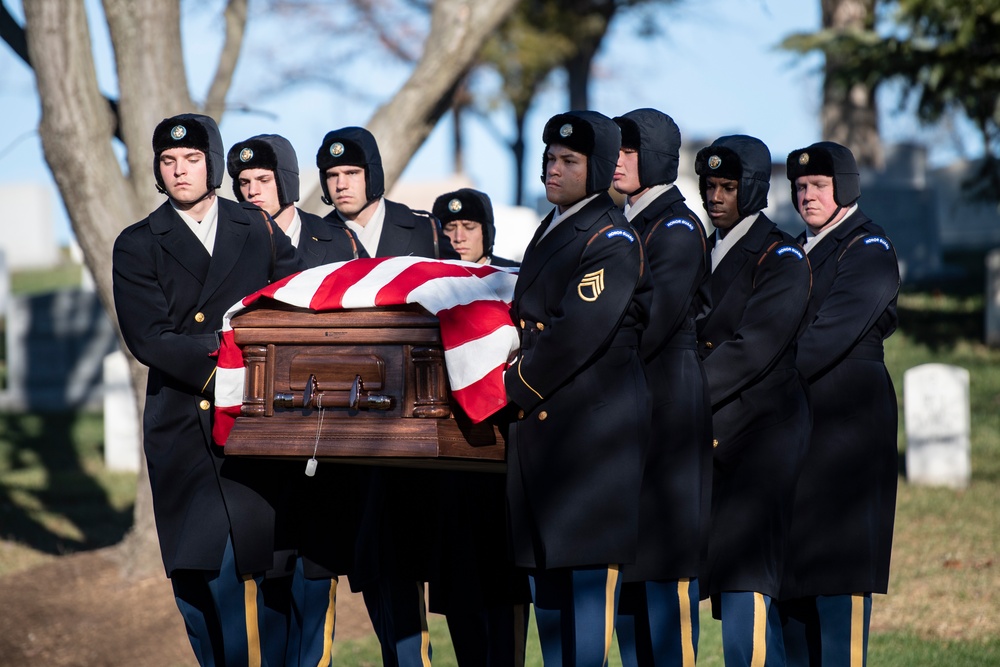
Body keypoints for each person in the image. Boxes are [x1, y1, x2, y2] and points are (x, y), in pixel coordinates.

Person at [112, 113, 305, 666]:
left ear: (213, 163)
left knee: (260, 575)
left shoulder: (257, 228)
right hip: (184, 427)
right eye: (168, 161)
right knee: (198, 585)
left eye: (192, 159)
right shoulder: (139, 242)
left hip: (256, 423)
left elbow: (290, 306)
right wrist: (224, 367)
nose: (179, 171)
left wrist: (256, 372)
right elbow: (149, 337)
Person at [504, 109, 652, 667]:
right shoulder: (553, 226)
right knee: (550, 607)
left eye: (568, 161)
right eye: (549, 159)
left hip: (593, 440)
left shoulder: (612, 236)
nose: (552, 169)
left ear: (598, 170)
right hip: (549, 440)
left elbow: (576, 331)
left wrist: (513, 386)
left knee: (585, 617)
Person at [315, 126, 457, 667]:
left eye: (351, 173)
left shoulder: (422, 230)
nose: (341, 185)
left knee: (424, 549)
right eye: (331, 176)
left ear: (372, 174)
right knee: (374, 555)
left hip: (419, 419)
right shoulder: (315, 239)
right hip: (350, 423)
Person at [225, 132, 365, 666]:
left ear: (285, 181)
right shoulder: (233, 241)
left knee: (317, 563)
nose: (252, 190)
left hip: (323, 419)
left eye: (262, 180)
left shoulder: (335, 240)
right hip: (259, 423)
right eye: (242, 183)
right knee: (269, 564)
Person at [776, 141, 900, 667]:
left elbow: (822, 340)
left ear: (844, 188)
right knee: (793, 587)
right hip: (793, 432)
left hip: (845, 430)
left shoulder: (867, 249)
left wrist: (756, 376)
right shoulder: (793, 249)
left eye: (819, 186)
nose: (807, 196)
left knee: (837, 588)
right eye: (800, 187)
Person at [693, 134, 812, 667]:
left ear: (755, 189)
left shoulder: (780, 254)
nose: (715, 197)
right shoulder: (699, 249)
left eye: (728, 187)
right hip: (706, 439)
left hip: (756, 439)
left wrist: (681, 399)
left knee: (747, 587)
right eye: (710, 186)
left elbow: (750, 350)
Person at [611, 108, 712, 667]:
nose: (617, 160)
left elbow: (654, 320)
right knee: (629, 574)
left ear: (653, 157)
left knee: (666, 578)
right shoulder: (624, 222)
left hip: (667, 411)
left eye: (628, 151)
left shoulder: (675, 226)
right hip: (630, 412)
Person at [427, 187, 528, 667]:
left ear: (487, 230)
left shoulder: (515, 280)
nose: (457, 237)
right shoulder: (425, 285)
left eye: (467, 227)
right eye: (448, 229)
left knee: (505, 589)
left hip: (499, 454)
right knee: (459, 588)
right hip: (446, 462)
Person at [432, 187, 519, 267]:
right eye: (450, 228)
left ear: (487, 233)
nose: (459, 238)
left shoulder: (516, 277)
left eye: (469, 227)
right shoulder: (430, 280)